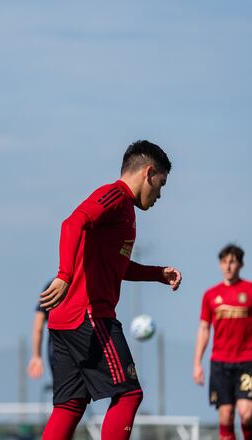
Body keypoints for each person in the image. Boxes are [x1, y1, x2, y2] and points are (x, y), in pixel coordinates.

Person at [38, 141, 182, 440]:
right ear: (149, 173)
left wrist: (157, 274)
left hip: (66, 319)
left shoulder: (125, 211)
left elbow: (117, 266)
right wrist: (65, 274)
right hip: (89, 315)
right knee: (129, 394)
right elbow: (72, 223)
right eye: (161, 184)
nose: (160, 195)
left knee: (70, 405)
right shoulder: (115, 196)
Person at [193, 244, 252, 440]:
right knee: (226, 417)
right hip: (220, 364)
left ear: (241, 264)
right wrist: (197, 364)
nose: (228, 266)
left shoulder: (250, 291)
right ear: (220, 264)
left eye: (232, 261)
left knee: (247, 414)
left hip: (247, 362)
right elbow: (203, 329)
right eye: (224, 262)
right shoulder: (210, 295)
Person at [28, 280, 56, 380]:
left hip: (57, 349)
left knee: (64, 391)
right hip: (84, 345)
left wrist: (36, 356)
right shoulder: (85, 284)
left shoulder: (53, 285)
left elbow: (38, 325)